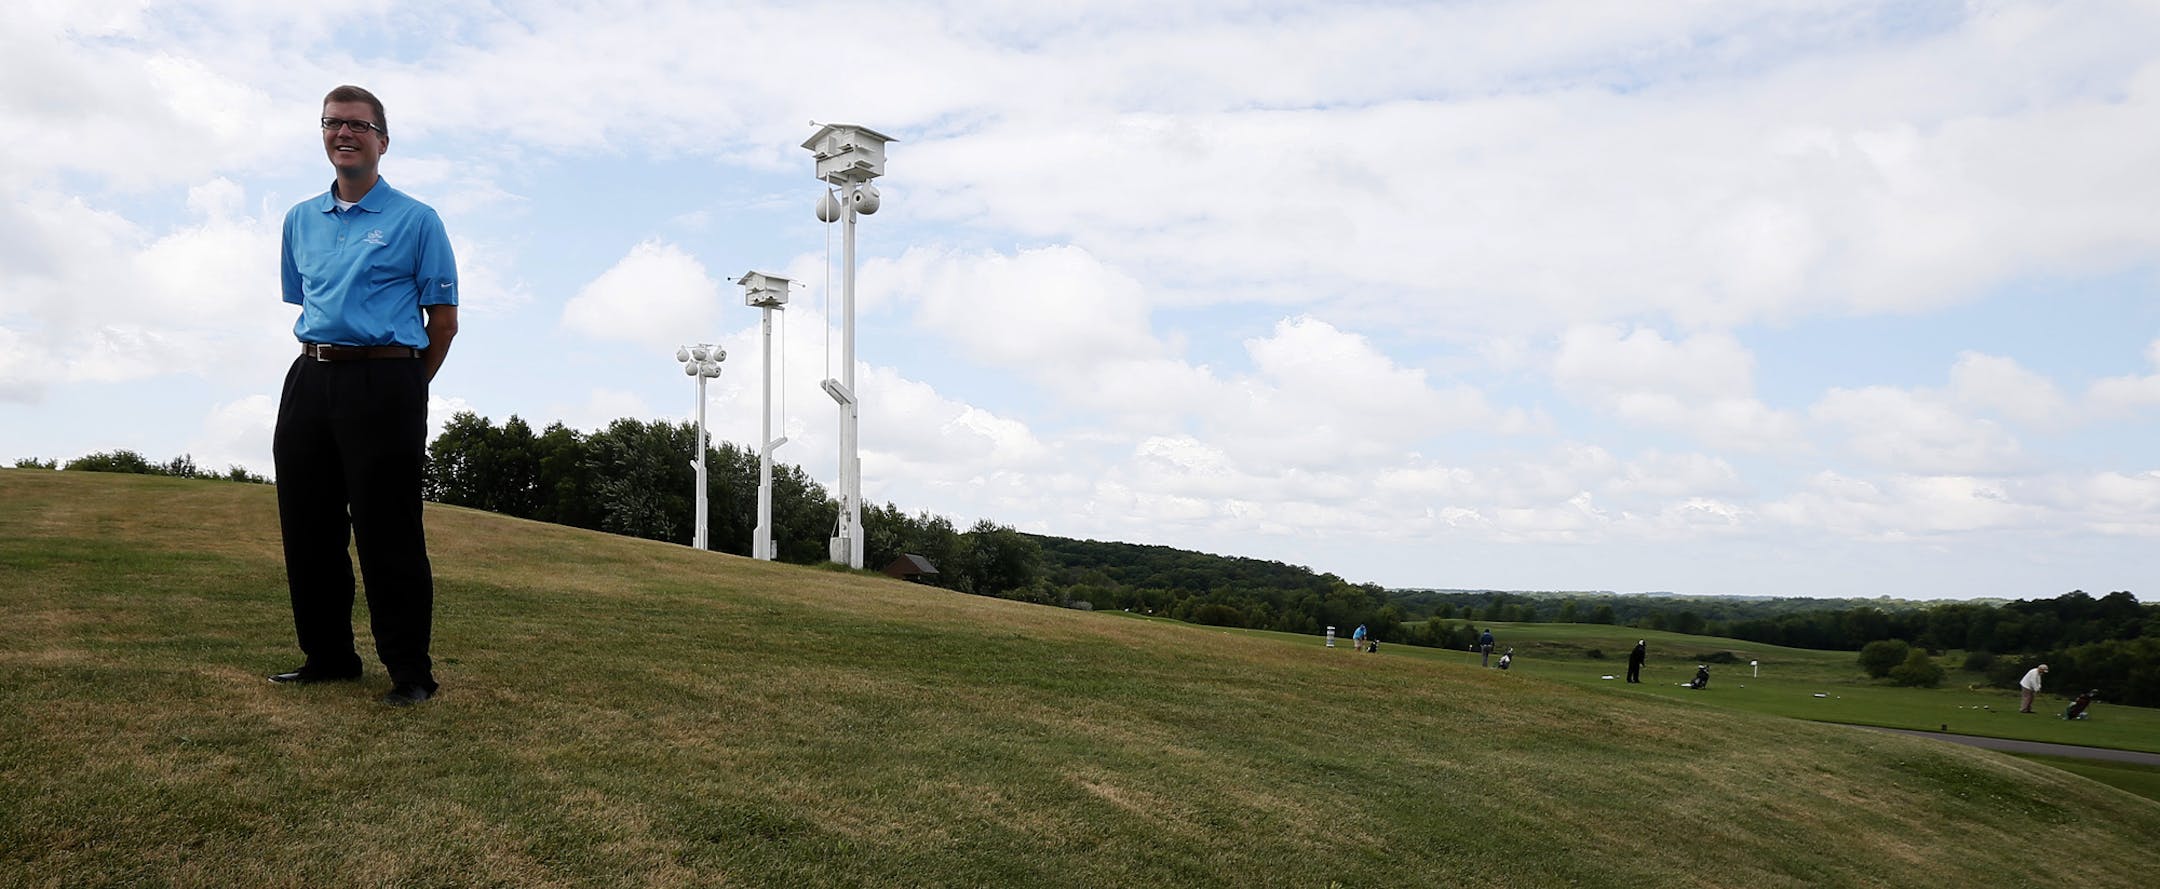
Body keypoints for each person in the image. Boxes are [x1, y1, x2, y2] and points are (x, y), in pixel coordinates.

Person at [269, 85, 458, 708]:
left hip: (386, 381)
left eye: (356, 125)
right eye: (331, 124)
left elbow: (443, 323)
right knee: (308, 526)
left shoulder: (417, 220)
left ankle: (410, 672)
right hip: (311, 377)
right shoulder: (299, 219)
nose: (342, 134)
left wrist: (403, 389)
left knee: (388, 531)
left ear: (382, 139)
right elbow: (304, 298)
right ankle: (328, 658)